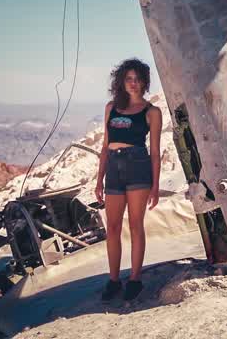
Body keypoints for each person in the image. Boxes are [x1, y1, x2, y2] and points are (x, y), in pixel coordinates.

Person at [94, 58, 161, 301]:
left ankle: (135, 279)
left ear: (144, 82)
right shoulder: (111, 108)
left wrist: (155, 186)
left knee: (135, 225)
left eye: (138, 79)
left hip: (138, 167)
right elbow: (105, 146)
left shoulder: (151, 112)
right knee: (112, 227)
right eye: (129, 79)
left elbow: (155, 152)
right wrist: (99, 180)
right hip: (113, 167)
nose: (133, 83)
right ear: (121, 82)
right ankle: (113, 280)